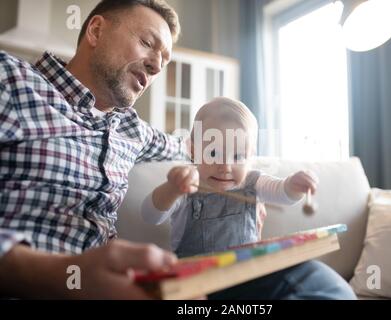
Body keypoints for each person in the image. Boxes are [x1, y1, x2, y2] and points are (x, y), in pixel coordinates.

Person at [0, 0, 356, 299]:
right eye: (147, 43)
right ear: (95, 31)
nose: (156, 65)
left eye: (164, 60)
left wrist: (240, 178)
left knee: (310, 280)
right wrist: (62, 274)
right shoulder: (11, 80)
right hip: (36, 286)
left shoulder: (132, 130)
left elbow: (195, 147)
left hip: (137, 289)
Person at [142, 97, 319, 258]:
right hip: (198, 282)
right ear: (194, 151)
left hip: (246, 276)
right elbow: (150, 216)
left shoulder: (253, 182)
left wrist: (293, 186)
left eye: (237, 157)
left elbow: (282, 193)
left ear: (251, 157)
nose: (225, 167)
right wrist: (172, 189)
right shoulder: (187, 183)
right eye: (213, 153)